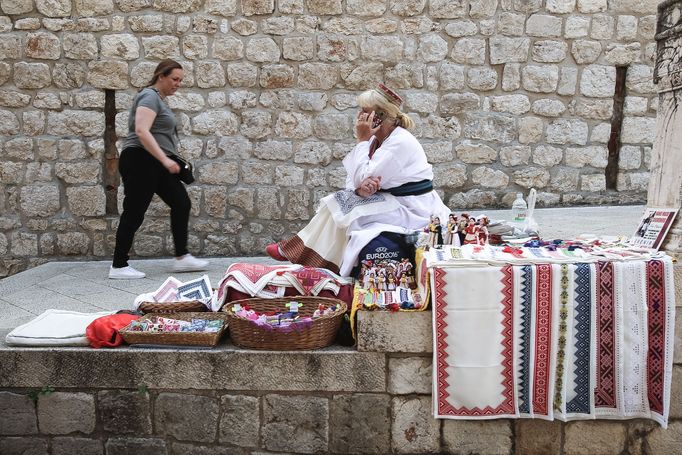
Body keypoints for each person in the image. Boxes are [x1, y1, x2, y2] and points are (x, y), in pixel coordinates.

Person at [265, 83, 450, 276]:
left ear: (380, 115)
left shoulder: (400, 142)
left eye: (365, 112)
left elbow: (362, 174)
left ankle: (303, 254)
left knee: (346, 214)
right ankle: (302, 253)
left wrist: (360, 141)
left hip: (412, 208)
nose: (360, 117)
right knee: (337, 203)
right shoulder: (375, 140)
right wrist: (360, 189)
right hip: (393, 201)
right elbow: (353, 180)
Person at [109, 59, 208, 279]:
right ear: (160, 76)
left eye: (180, 80)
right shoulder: (149, 96)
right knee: (134, 212)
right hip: (140, 160)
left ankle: (182, 257)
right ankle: (118, 266)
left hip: (155, 161)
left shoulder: (160, 100)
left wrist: (165, 159)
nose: (178, 84)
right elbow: (142, 131)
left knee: (181, 202)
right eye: (174, 79)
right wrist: (165, 160)